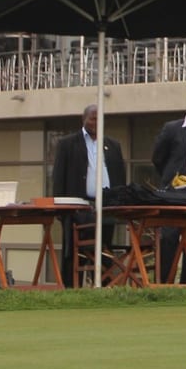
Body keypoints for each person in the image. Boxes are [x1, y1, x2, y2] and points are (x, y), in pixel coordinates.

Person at [52, 103, 127, 288]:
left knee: (104, 250)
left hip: (106, 207)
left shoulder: (113, 145)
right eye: (93, 118)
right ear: (84, 119)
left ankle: (103, 287)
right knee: (75, 252)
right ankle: (70, 290)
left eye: (100, 119)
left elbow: (120, 176)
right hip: (78, 207)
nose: (96, 122)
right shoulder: (68, 144)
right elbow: (58, 177)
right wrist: (60, 209)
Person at [151, 91, 186, 283]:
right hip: (175, 194)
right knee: (169, 238)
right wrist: (171, 180)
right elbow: (158, 158)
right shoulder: (172, 129)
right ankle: (163, 284)